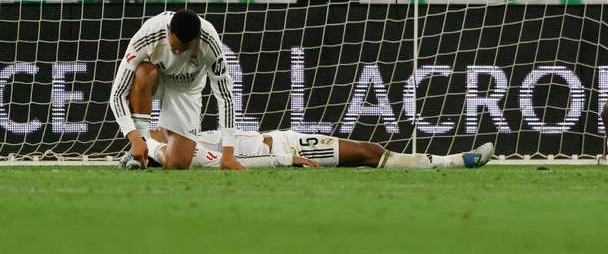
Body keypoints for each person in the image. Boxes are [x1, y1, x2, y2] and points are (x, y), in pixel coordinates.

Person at [109, 9, 245, 171]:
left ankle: (151, 147)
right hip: (156, 80)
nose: (178, 52)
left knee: (177, 164)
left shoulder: (209, 41)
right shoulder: (149, 33)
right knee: (144, 72)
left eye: (184, 48)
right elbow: (117, 94)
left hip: (186, 91)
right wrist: (135, 137)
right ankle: (139, 148)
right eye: (174, 47)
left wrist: (228, 152)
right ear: (168, 31)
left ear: (195, 40)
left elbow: (225, 95)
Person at [142, 127, 494, 169]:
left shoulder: (176, 132)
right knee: (370, 153)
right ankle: (455, 162)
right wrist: (286, 159)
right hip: (286, 150)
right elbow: (229, 162)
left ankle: (451, 160)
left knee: (370, 150)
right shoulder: (189, 156)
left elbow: (153, 138)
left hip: (285, 137)